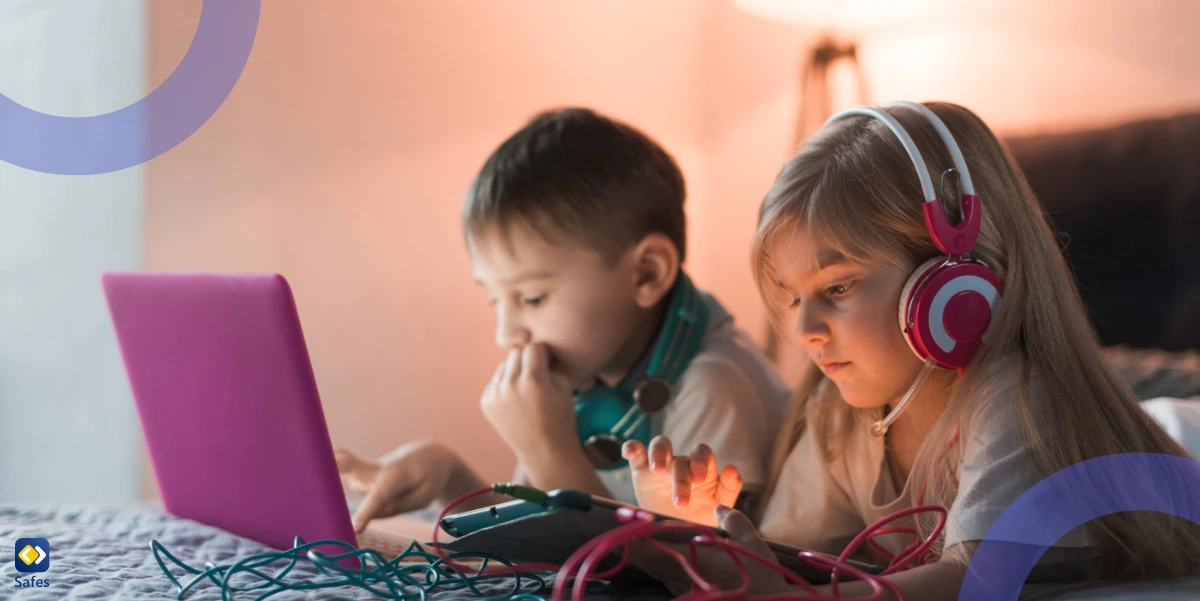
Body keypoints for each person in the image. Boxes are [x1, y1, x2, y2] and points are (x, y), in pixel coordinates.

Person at [624, 101, 1200, 599]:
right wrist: (692, 535)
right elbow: (792, 558)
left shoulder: (1014, 395)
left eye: (838, 288)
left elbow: (975, 580)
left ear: (954, 291)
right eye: (793, 298)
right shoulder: (840, 410)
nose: (806, 332)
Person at [337, 107, 791, 533]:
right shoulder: (589, 368)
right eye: (496, 299)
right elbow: (534, 525)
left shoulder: (714, 389)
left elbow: (657, 575)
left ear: (646, 272)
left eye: (532, 298)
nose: (507, 334)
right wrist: (448, 478)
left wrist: (547, 446)